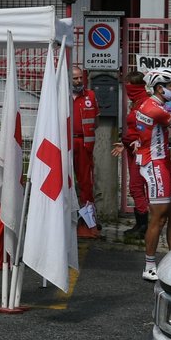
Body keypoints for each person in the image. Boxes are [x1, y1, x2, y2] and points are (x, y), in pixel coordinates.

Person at [131, 68, 171, 282]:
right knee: (159, 217)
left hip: (163, 163)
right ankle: (149, 266)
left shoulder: (151, 104)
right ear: (160, 88)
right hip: (155, 165)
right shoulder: (155, 109)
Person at [111, 71, 150, 241]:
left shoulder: (146, 104)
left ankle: (144, 225)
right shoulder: (136, 103)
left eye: (128, 86)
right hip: (132, 150)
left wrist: (139, 141)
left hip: (142, 152)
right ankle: (141, 224)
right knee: (135, 187)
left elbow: (150, 128)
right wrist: (125, 142)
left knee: (137, 187)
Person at [70, 67, 101, 239]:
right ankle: (68, 219)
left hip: (84, 144)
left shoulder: (90, 96)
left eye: (80, 78)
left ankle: (88, 224)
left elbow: (95, 121)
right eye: (75, 79)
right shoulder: (60, 96)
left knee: (86, 185)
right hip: (66, 144)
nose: (78, 81)